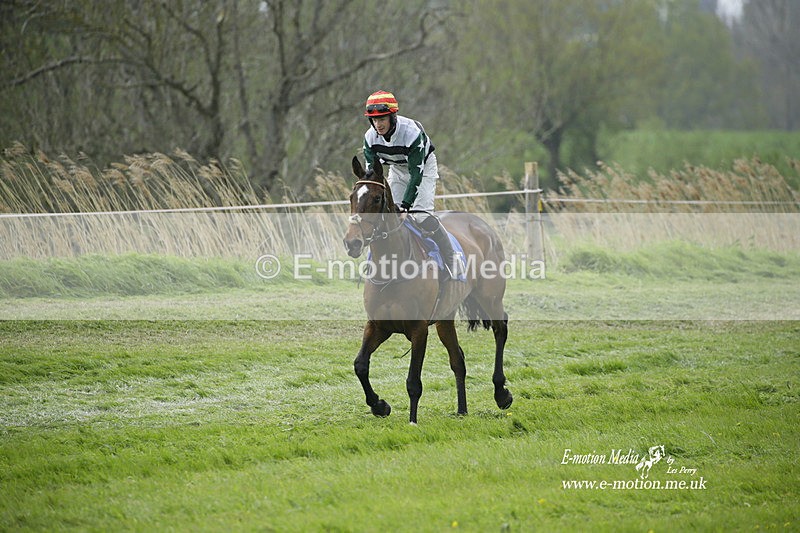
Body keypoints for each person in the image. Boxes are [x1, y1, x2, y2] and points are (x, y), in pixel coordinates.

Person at [362, 90, 462, 279]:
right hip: (397, 170)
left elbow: (416, 175)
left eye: (382, 119)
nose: (378, 124)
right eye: (374, 120)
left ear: (392, 116)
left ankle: (452, 260)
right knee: (386, 217)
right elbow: (373, 176)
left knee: (421, 217)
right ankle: (374, 264)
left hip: (422, 170)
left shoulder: (411, 133)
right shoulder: (369, 138)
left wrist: (406, 207)